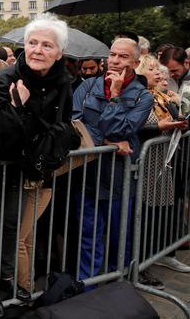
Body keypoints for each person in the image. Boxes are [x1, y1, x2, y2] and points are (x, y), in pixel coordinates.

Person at [0, 15, 76, 307]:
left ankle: (21, 292)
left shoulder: (64, 81)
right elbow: (3, 139)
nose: (38, 50)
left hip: (44, 175)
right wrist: (18, 108)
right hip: (10, 177)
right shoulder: (5, 81)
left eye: (47, 45)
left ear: (59, 53)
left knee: (23, 237)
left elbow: (65, 128)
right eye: (32, 43)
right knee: (18, 238)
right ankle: (21, 292)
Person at [72, 38, 154, 283]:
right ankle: (89, 286)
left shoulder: (143, 97)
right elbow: (75, 125)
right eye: (112, 55)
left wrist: (115, 96)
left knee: (120, 237)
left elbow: (124, 129)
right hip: (87, 173)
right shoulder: (87, 87)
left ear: (136, 62)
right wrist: (105, 143)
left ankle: (117, 285)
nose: (115, 61)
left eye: (123, 57)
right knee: (88, 235)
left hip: (119, 177)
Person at [135, 55, 190, 279]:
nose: (158, 73)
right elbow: (138, 126)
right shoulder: (141, 96)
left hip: (164, 162)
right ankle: (141, 262)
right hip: (148, 162)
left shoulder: (162, 96)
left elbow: (175, 122)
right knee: (146, 214)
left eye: (158, 69)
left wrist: (181, 122)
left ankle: (161, 253)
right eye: (151, 69)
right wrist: (161, 126)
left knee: (163, 211)